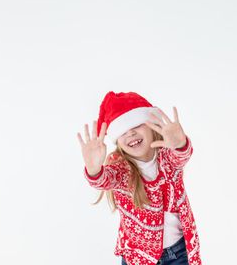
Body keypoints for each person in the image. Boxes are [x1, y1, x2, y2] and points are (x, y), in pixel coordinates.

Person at [77, 91, 202, 265]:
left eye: (136, 126)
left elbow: (181, 156)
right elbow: (103, 180)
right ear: (118, 141)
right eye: (123, 132)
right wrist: (93, 168)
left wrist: (180, 144)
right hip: (138, 257)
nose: (130, 134)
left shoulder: (166, 155)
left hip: (179, 252)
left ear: (151, 126)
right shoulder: (119, 168)